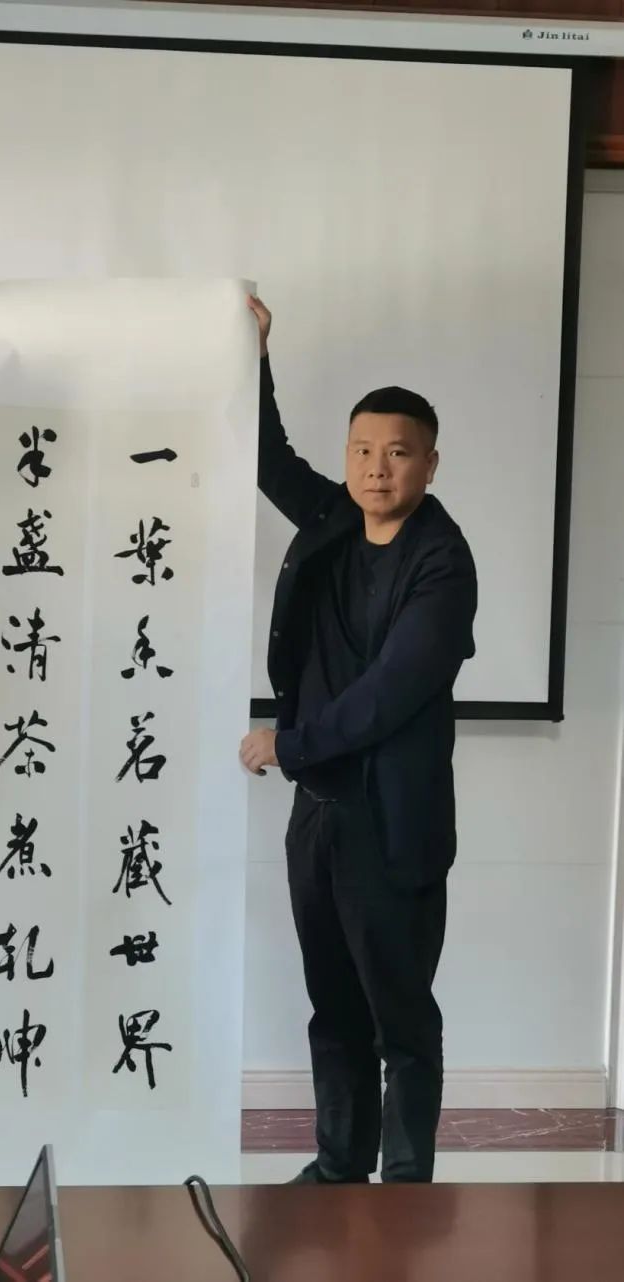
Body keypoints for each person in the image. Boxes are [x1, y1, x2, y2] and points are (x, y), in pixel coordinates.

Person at [240, 296, 477, 1184]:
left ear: (430, 462)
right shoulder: (334, 517)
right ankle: (340, 1169)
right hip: (320, 816)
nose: (378, 469)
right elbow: (266, 457)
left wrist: (290, 743)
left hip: (392, 823)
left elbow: (390, 694)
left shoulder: (443, 562)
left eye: (398, 452)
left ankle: (406, 1189)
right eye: (363, 451)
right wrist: (254, 354)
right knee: (332, 1005)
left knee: (400, 1018)